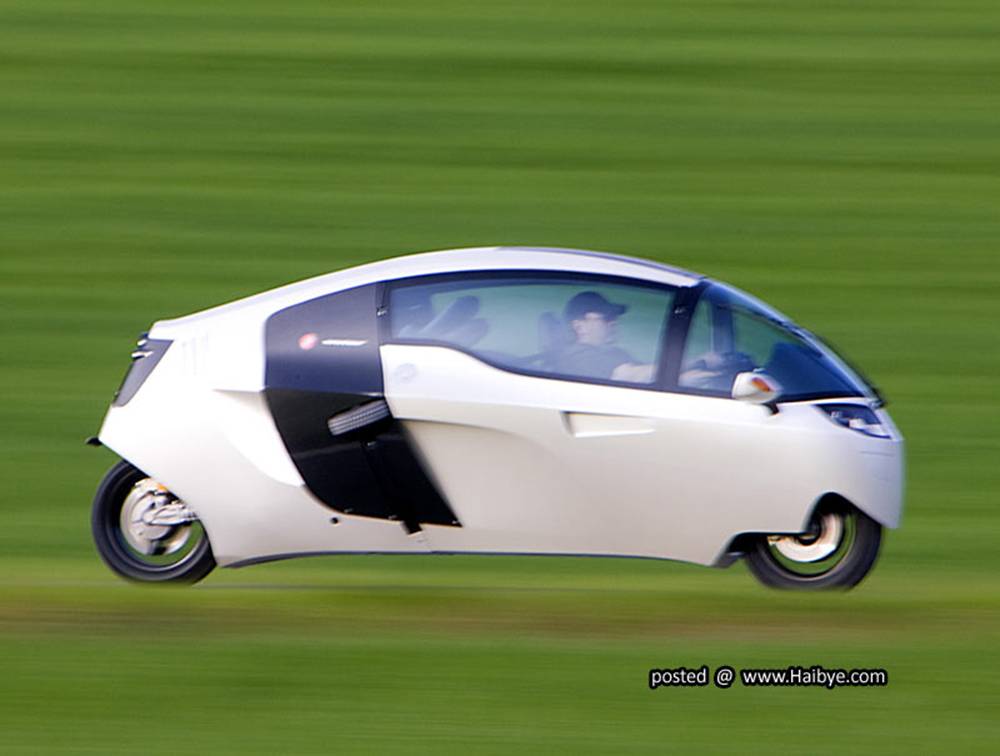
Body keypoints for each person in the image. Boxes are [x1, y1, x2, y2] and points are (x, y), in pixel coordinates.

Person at [556, 291, 656, 383]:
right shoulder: (579, 357)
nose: (613, 322)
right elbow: (629, 375)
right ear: (579, 327)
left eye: (614, 317)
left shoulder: (616, 352)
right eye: (607, 318)